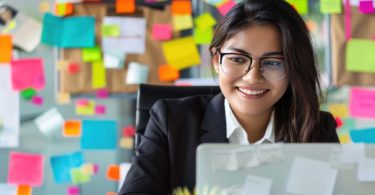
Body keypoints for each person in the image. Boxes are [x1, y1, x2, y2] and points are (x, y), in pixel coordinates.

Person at [119, 0, 339, 194]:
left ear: (294, 69)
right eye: (238, 59)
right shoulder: (171, 121)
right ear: (216, 60)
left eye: (273, 62)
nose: (252, 77)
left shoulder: (317, 129)